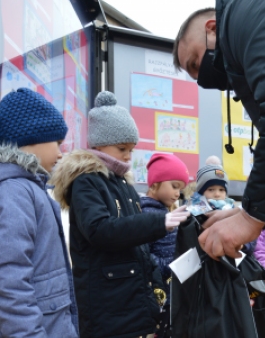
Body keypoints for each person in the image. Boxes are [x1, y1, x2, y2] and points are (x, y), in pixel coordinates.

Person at [173, 0, 265, 260]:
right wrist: (251, 209)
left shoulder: (249, 8)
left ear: (212, 29)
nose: (201, 78)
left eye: (195, 62)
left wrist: (251, 218)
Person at [50, 91, 190, 338]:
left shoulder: (123, 184)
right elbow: (100, 230)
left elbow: (141, 249)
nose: (127, 156)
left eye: (131, 150)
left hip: (130, 303)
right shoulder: (86, 181)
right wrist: (159, 222)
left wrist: (156, 288)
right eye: (122, 148)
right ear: (98, 144)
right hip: (107, 308)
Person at [0, 88, 79, 337]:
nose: (61, 153)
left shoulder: (26, 188)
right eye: (57, 142)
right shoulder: (12, 192)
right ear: (32, 140)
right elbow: (7, 282)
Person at [140, 153, 190, 338]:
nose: (178, 193)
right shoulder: (146, 214)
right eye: (174, 186)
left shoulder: (165, 212)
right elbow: (143, 253)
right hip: (157, 291)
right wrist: (168, 267)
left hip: (171, 289)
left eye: (181, 189)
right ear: (155, 183)